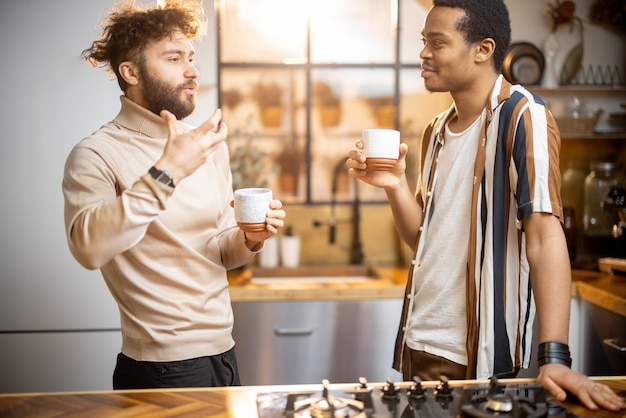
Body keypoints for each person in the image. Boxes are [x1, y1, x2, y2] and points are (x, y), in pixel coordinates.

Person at [347, 0, 625, 412]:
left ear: (483, 49)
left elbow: (547, 239)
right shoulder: (435, 132)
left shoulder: (522, 116)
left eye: (437, 42)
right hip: (417, 345)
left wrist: (554, 357)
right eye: (424, 41)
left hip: (478, 358)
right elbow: (423, 239)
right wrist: (394, 185)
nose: (423, 53)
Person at [62, 0, 285, 389]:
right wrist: (169, 171)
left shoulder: (206, 145)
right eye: (174, 58)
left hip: (224, 353)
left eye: (191, 57)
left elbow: (215, 249)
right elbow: (88, 248)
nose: (192, 70)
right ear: (129, 72)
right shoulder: (96, 153)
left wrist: (249, 238)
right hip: (160, 367)